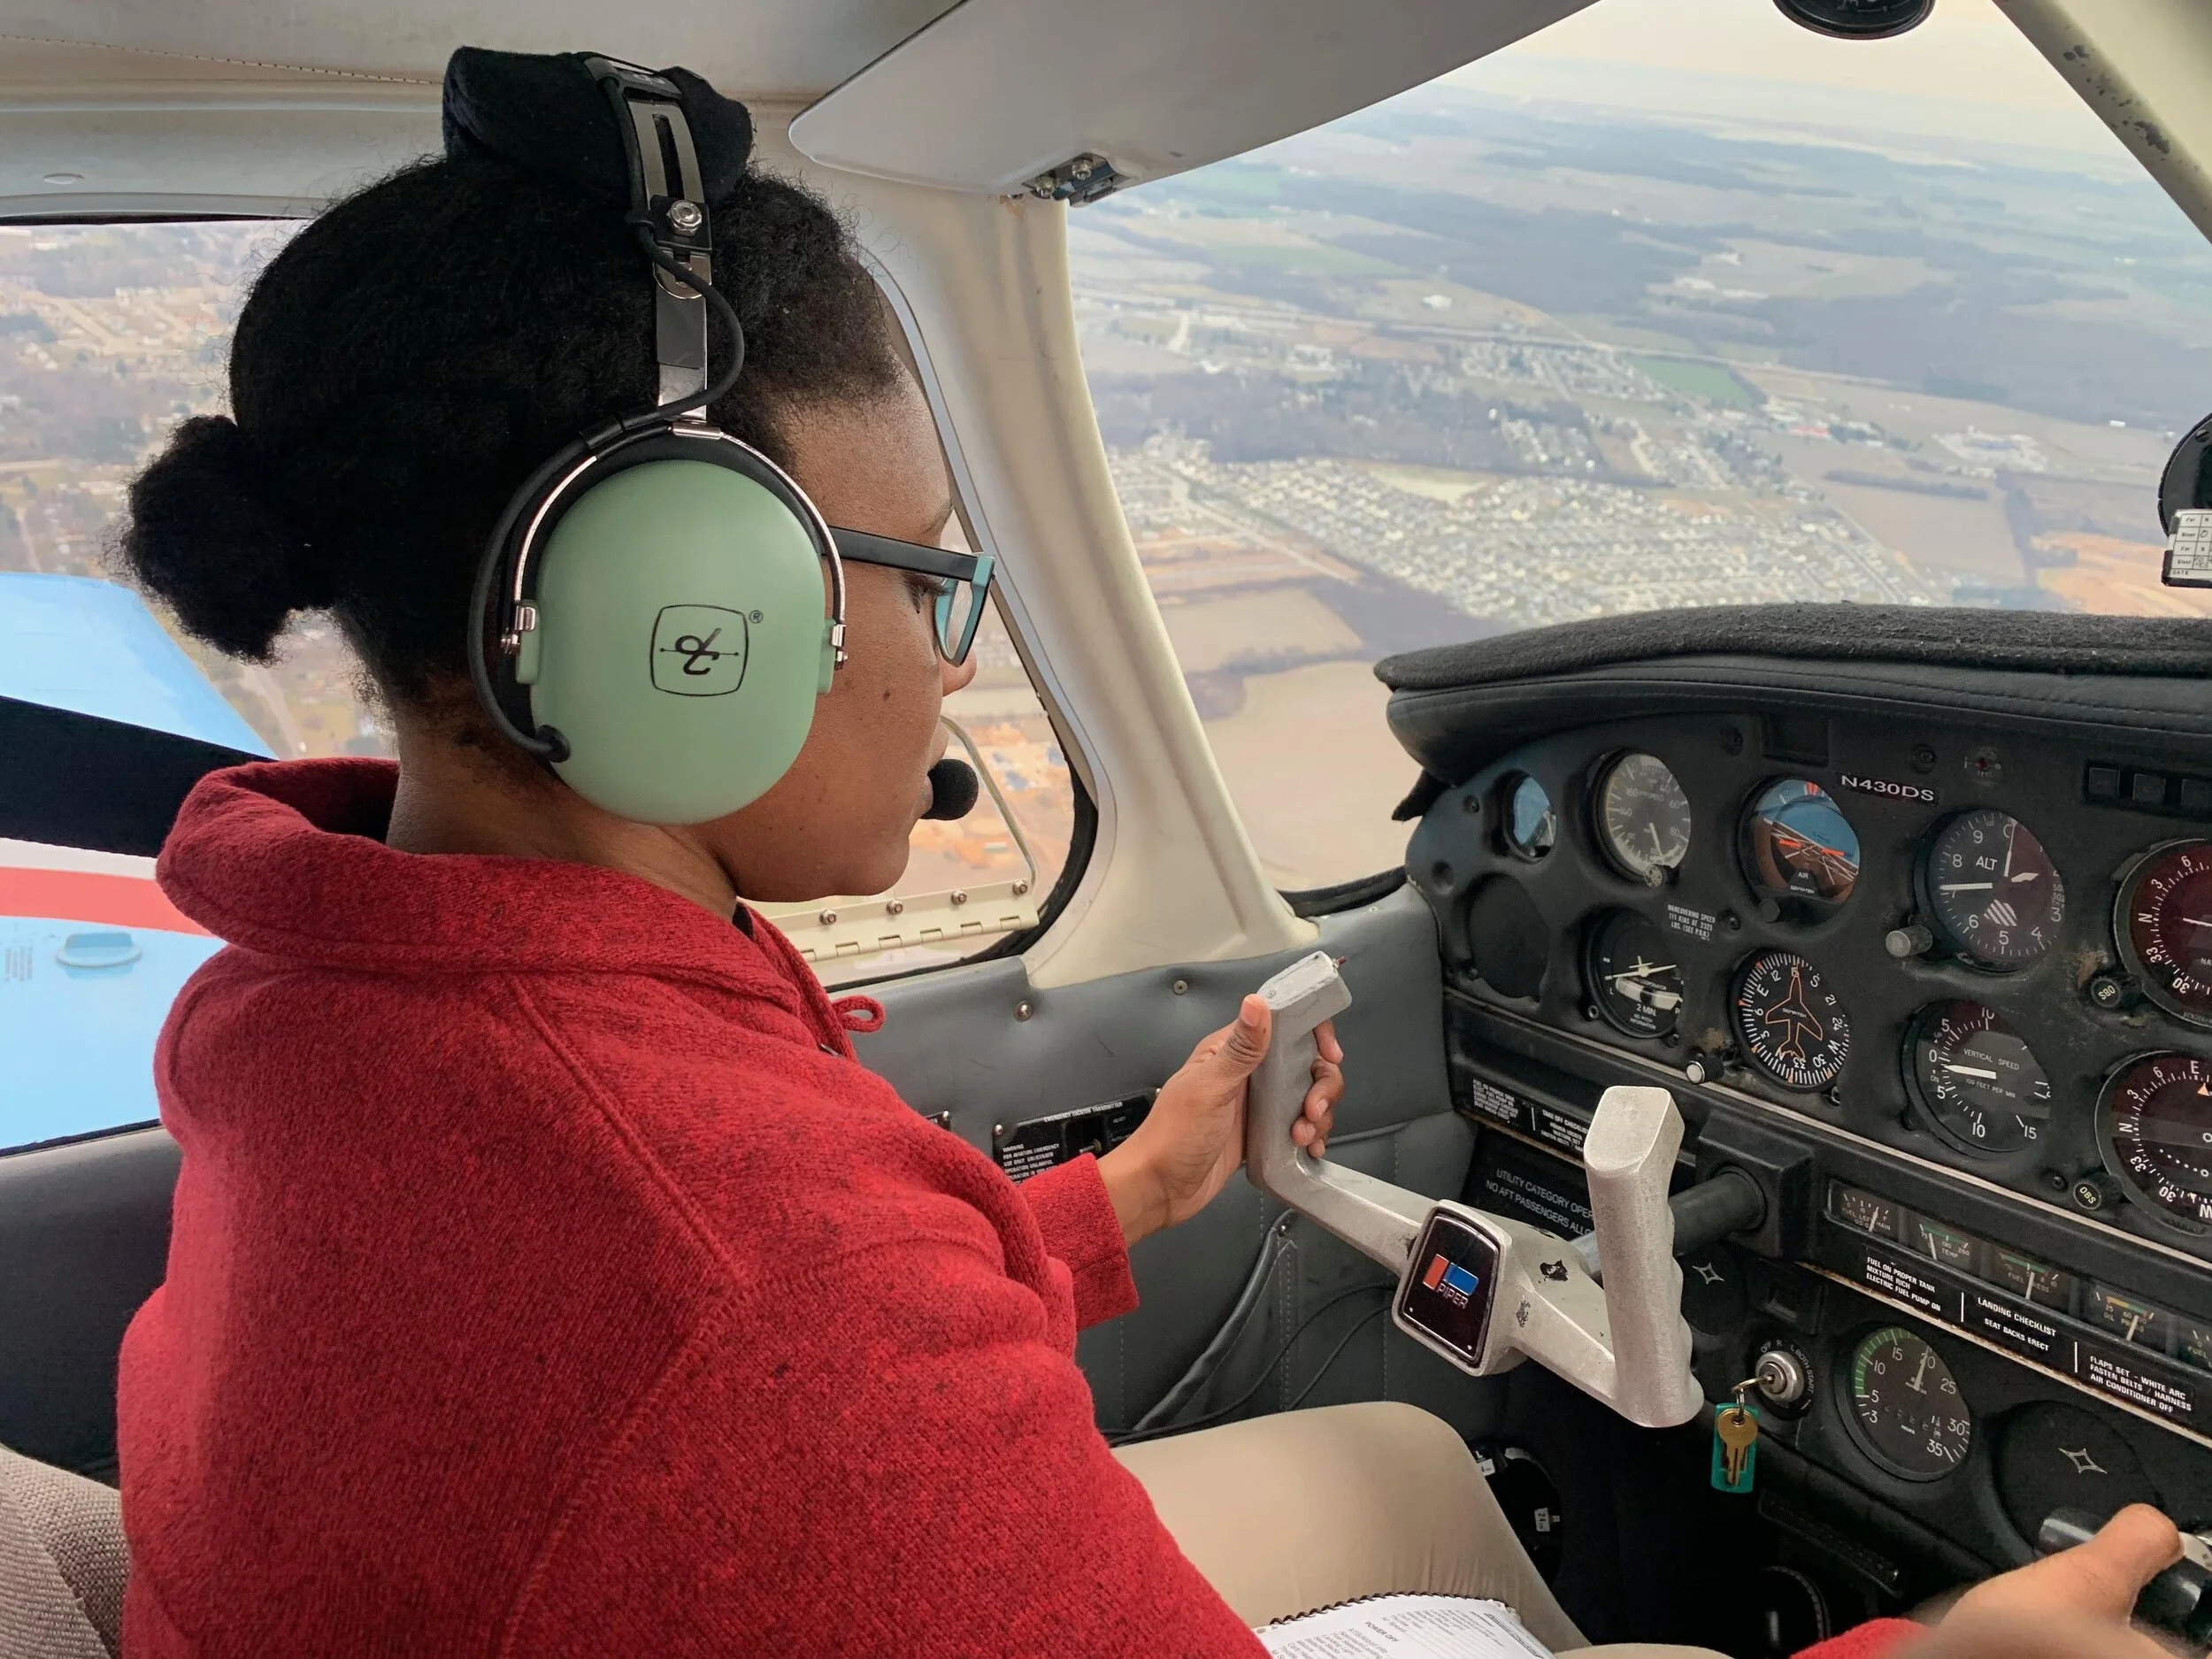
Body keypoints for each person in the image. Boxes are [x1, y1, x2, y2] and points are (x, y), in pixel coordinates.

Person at [110, 44, 2200, 1659]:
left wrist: (1128, 1193)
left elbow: (725, 1353)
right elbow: (761, 1335)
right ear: (691, 611)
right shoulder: (738, 1269)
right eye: (924, 569)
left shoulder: (309, 1000)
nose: (948, 665)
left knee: (1396, 1453)